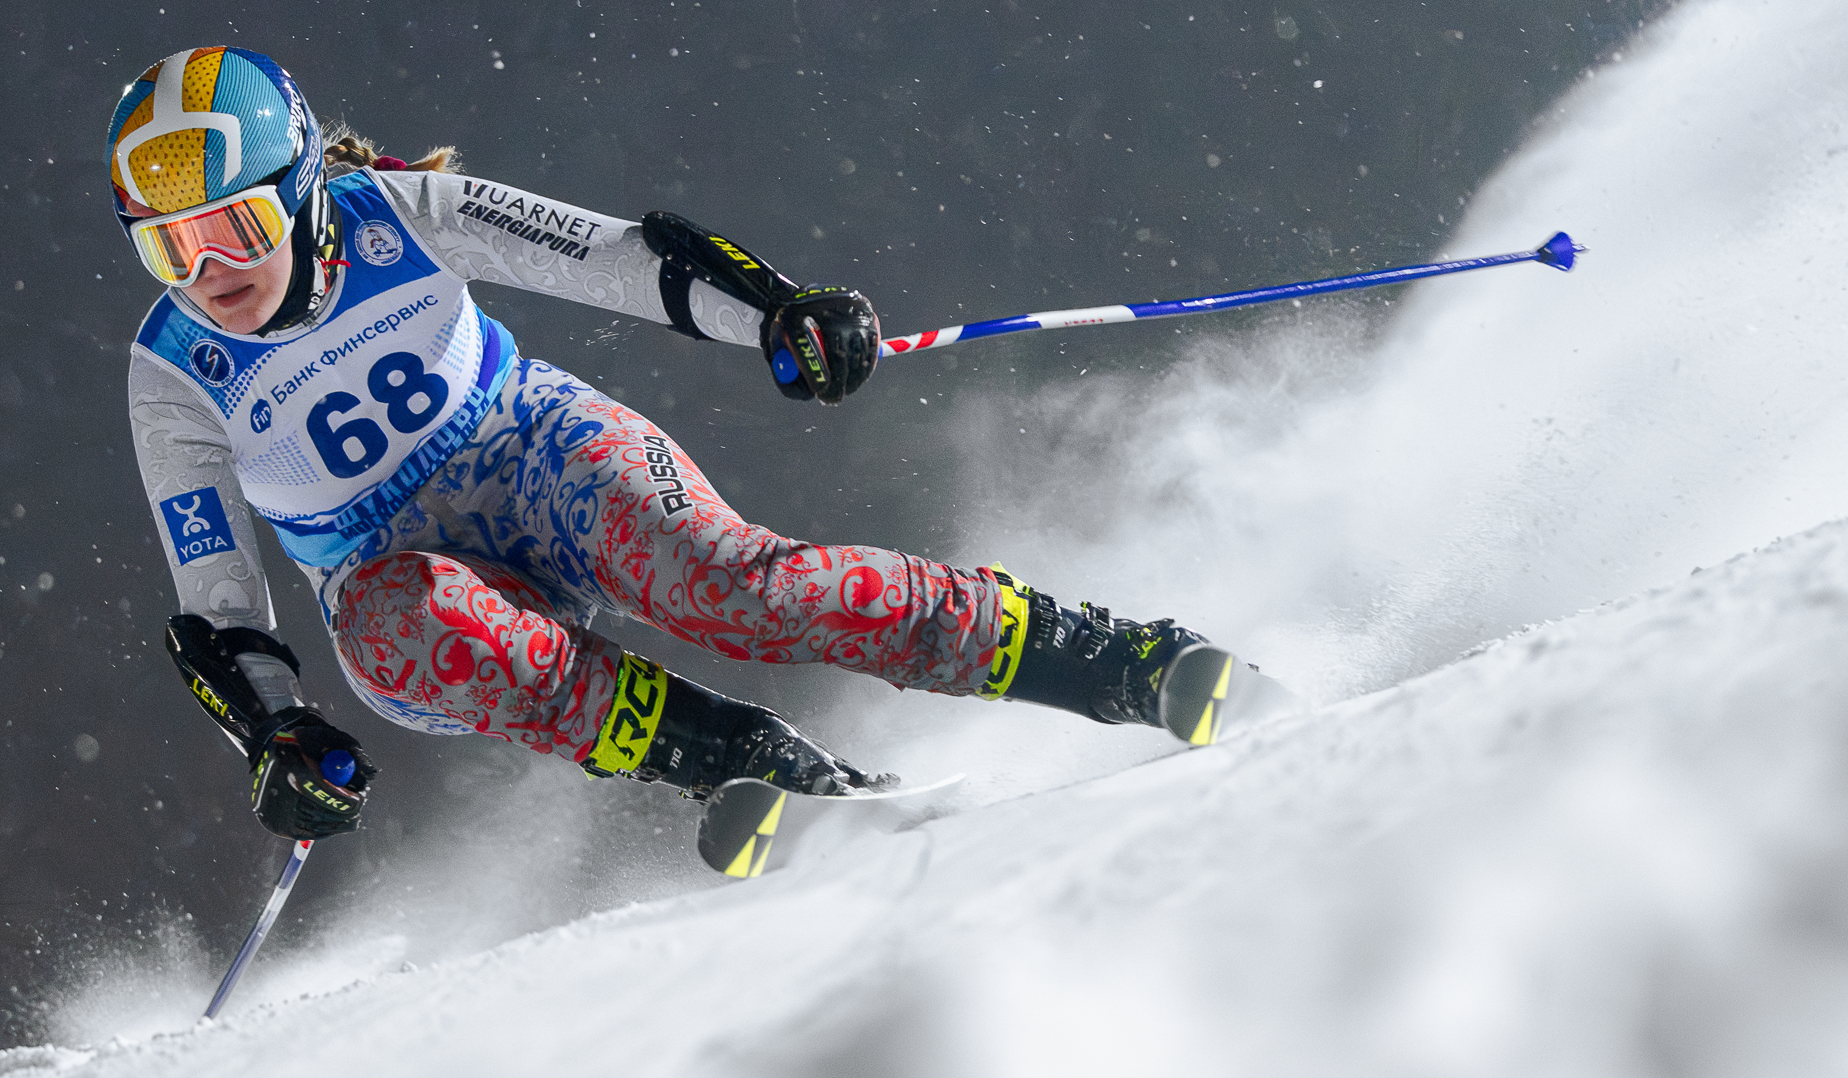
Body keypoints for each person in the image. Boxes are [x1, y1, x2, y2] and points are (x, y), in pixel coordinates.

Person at [111, 45, 1215, 840]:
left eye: (236, 228)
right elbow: (219, 604)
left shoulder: (398, 212)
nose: (211, 273)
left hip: (530, 451)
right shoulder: (171, 376)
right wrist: (277, 734)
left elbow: (616, 259)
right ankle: (748, 763)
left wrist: (776, 312)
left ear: (305, 189)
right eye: (170, 250)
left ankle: (1113, 660)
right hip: (384, 568)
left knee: (734, 591)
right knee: (411, 626)